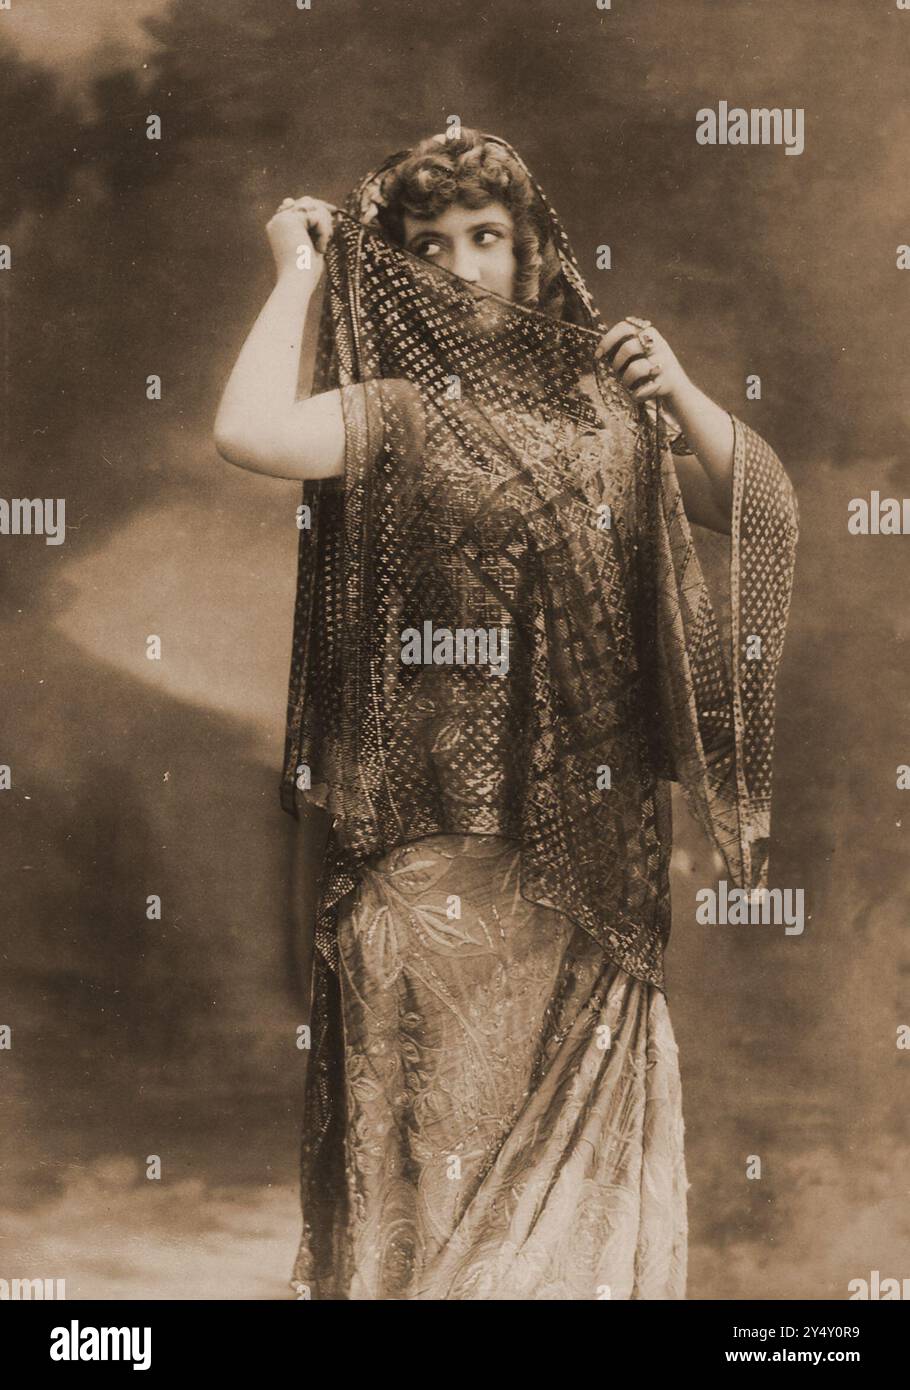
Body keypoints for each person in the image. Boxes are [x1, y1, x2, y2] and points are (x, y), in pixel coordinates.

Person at [213, 128, 799, 1300]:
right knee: (437, 1175)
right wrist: (296, 274)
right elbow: (246, 433)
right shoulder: (388, 413)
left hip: (588, 864)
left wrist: (675, 391)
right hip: (428, 863)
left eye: (488, 239)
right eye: (430, 245)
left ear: (533, 259)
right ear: (394, 270)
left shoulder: (605, 416)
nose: (464, 265)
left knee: (569, 1217)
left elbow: (759, 510)